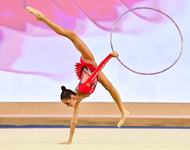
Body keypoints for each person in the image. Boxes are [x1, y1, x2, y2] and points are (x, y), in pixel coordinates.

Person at [26, 6, 130, 144]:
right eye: (67, 104)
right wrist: (69, 140)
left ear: (73, 97)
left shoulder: (84, 88)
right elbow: (74, 120)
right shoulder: (78, 98)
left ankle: (42, 18)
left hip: (89, 61)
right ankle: (123, 111)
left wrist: (110, 56)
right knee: (109, 87)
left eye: (68, 103)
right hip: (92, 70)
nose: (69, 106)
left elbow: (97, 70)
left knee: (72, 35)